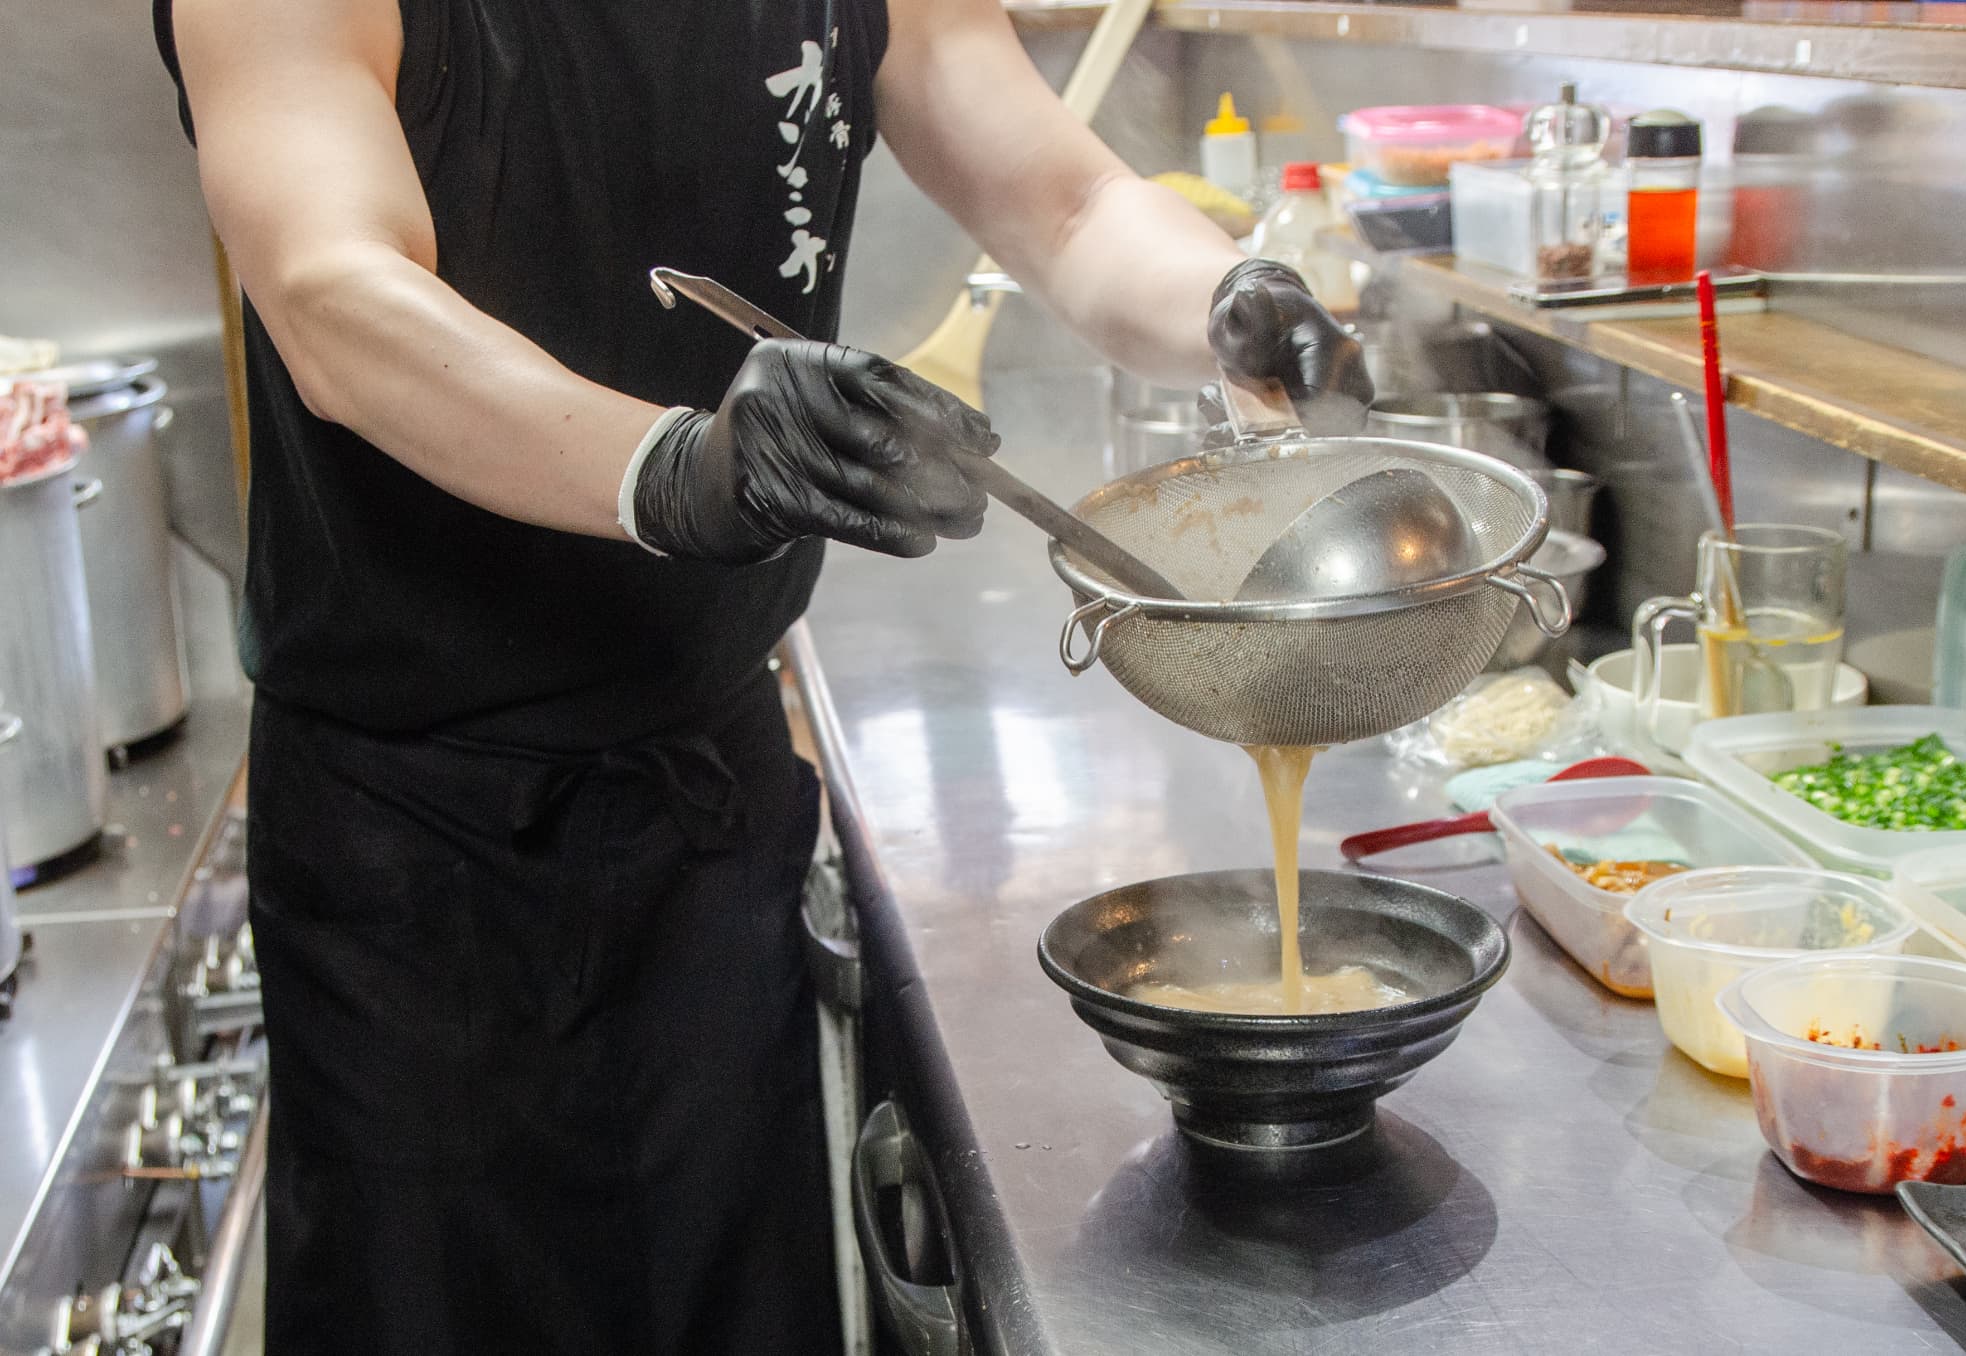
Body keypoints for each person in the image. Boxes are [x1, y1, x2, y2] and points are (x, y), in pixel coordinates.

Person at [154, 0, 1373, 1349]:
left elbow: (1070, 202)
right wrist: (669, 468)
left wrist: (1221, 299)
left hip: (708, 809)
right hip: (417, 856)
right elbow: (333, 286)